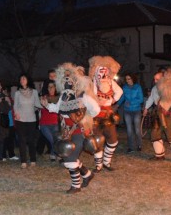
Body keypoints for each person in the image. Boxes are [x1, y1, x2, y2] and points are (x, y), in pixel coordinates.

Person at [41, 63, 100, 193]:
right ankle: (87, 174)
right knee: (69, 157)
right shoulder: (63, 96)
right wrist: (47, 105)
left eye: (70, 78)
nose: (68, 81)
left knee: (69, 159)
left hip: (78, 131)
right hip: (66, 132)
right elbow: (57, 109)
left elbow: (96, 109)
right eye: (65, 78)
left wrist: (85, 118)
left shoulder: (82, 96)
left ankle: (76, 186)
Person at [88, 56, 123, 172]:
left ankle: (107, 162)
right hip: (96, 116)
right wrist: (96, 101)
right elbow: (90, 97)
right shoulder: (93, 83)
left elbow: (120, 92)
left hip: (108, 116)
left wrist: (112, 100)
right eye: (100, 70)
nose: (102, 73)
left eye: (104, 70)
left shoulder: (111, 82)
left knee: (113, 141)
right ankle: (99, 165)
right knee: (98, 140)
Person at [13, 74, 42, 168]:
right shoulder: (17, 93)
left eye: (24, 78)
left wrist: (47, 105)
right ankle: (23, 161)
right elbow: (15, 105)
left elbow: (37, 104)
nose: (22, 80)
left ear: (28, 80)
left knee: (31, 140)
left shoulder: (34, 92)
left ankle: (33, 159)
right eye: (20, 78)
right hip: (20, 119)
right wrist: (16, 113)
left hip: (31, 119)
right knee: (22, 140)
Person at [117, 72, 144, 152]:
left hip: (136, 110)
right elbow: (122, 98)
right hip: (127, 111)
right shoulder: (125, 87)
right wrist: (117, 104)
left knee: (137, 129)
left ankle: (139, 145)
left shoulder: (138, 87)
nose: (127, 80)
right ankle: (131, 147)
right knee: (129, 130)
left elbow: (141, 99)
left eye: (129, 79)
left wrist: (131, 102)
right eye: (126, 79)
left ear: (133, 79)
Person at [38, 81, 60, 161]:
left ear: (55, 88)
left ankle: (53, 154)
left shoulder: (58, 99)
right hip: (44, 124)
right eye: (49, 87)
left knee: (55, 140)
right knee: (52, 140)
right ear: (47, 88)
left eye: (52, 87)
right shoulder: (44, 98)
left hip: (55, 123)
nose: (51, 88)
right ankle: (57, 154)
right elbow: (41, 108)